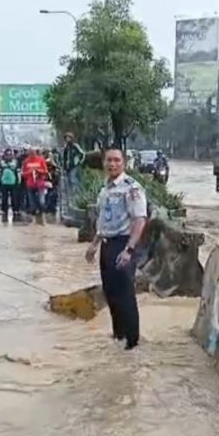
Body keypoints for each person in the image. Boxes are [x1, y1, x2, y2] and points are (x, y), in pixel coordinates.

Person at [85, 148, 148, 350]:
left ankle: (132, 343)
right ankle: (118, 336)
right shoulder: (105, 190)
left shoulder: (131, 188)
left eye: (116, 160)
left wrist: (129, 250)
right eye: (109, 160)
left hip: (124, 244)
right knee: (110, 293)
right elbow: (104, 221)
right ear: (103, 163)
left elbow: (140, 220)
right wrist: (94, 244)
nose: (112, 164)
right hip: (107, 245)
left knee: (125, 294)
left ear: (124, 163)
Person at [21, 147, 49, 224]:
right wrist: (29, 172)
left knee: (41, 201)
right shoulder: (26, 161)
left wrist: (38, 171)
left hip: (40, 184)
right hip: (30, 184)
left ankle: (42, 216)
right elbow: (23, 174)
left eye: (33, 152)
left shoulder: (41, 160)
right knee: (32, 202)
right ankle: (34, 218)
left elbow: (45, 171)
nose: (32, 154)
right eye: (30, 153)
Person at [61, 132, 85, 209]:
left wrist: (78, 162)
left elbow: (82, 154)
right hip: (67, 168)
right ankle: (70, 200)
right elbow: (63, 158)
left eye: (69, 138)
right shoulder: (65, 148)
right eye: (66, 138)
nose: (67, 139)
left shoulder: (75, 146)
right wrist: (63, 166)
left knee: (73, 181)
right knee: (68, 183)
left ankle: (76, 198)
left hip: (73, 167)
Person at [0, 148, 21, 222]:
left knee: (14, 198)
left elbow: (18, 172)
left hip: (13, 182)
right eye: (7, 155)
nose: (8, 156)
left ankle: (16, 210)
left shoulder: (15, 162)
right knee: (4, 198)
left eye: (10, 155)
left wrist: (19, 181)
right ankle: (4, 210)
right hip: (4, 182)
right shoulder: (1, 163)